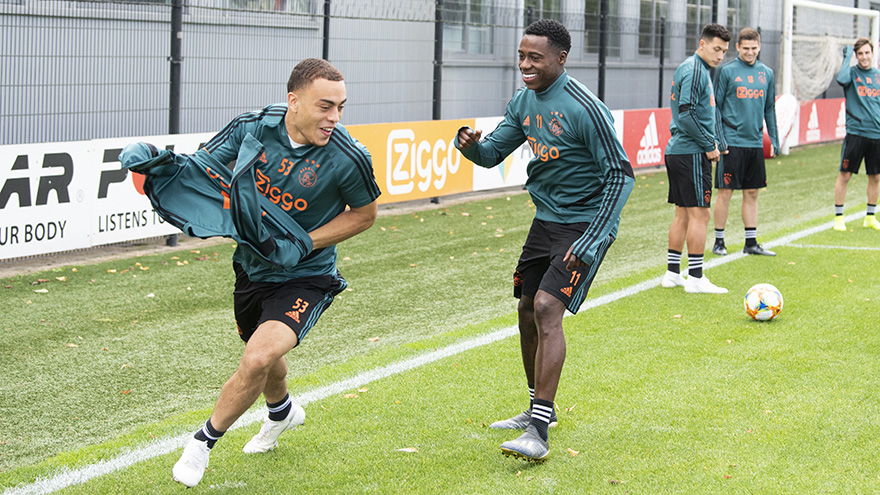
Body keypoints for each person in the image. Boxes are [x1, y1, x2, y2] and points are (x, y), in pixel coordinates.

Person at [159, 58, 381, 487]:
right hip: (251, 268)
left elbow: (365, 215)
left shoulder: (349, 157)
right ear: (293, 101)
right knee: (264, 357)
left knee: (258, 356)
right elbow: (203, 169)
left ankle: (201, 444)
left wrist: (303, 242)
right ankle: (281, 412)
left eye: (341, 107)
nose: (334, 118)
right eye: (325, 106)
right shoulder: (253, 127)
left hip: (307, 275)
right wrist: (160, 167)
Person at [456, 19, 634, 462]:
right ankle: (541, 408)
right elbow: (492, 154)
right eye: (521, 56)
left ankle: (537, 431)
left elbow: (621, 175)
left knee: (547, 307)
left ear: (561, 58)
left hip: (585, 224)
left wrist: (593, 238)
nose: (525, 65)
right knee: (525, 308)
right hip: (546, 221)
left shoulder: (585, 108)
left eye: (535, 57)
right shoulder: (523, 102)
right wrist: (470, 147)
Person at [661, 23, 730, 294]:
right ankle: (696, 278)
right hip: (690, 152)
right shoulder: (694, 70)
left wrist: (717, 141)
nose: (720, 55)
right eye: (716, 49)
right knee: (700, 214)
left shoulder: (696, 68)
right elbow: (687, 112)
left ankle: (672, 273)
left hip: (680, 151)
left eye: (724, 51)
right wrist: (709, 144)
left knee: (683, 214)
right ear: (702, 44)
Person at [712, 27, 779, 256]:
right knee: (726, 192)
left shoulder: (767, 73)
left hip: (755, 143)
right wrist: (720, 139)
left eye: (754, 48)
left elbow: (769, 108)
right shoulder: (726, 71)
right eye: (746, 48)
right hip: (731, 143)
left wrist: (775, 138)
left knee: (752, 193)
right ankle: (719, 241)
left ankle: (750, 242)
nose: (750, 52)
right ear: (738, 47)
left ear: (759, 47)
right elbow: (716, 107)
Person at [833, 37, 880, 231]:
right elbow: (841, 79)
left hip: (876, 135)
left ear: (872, 54)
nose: (864, 57)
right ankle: (838, 218)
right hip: (856, 134)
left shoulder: (878, 76)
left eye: (867, 52)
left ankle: (870, 216)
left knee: (875, 177)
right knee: (845, 175)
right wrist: (846, 58)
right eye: (860, 53)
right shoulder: (851, 74)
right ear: (856, 56)